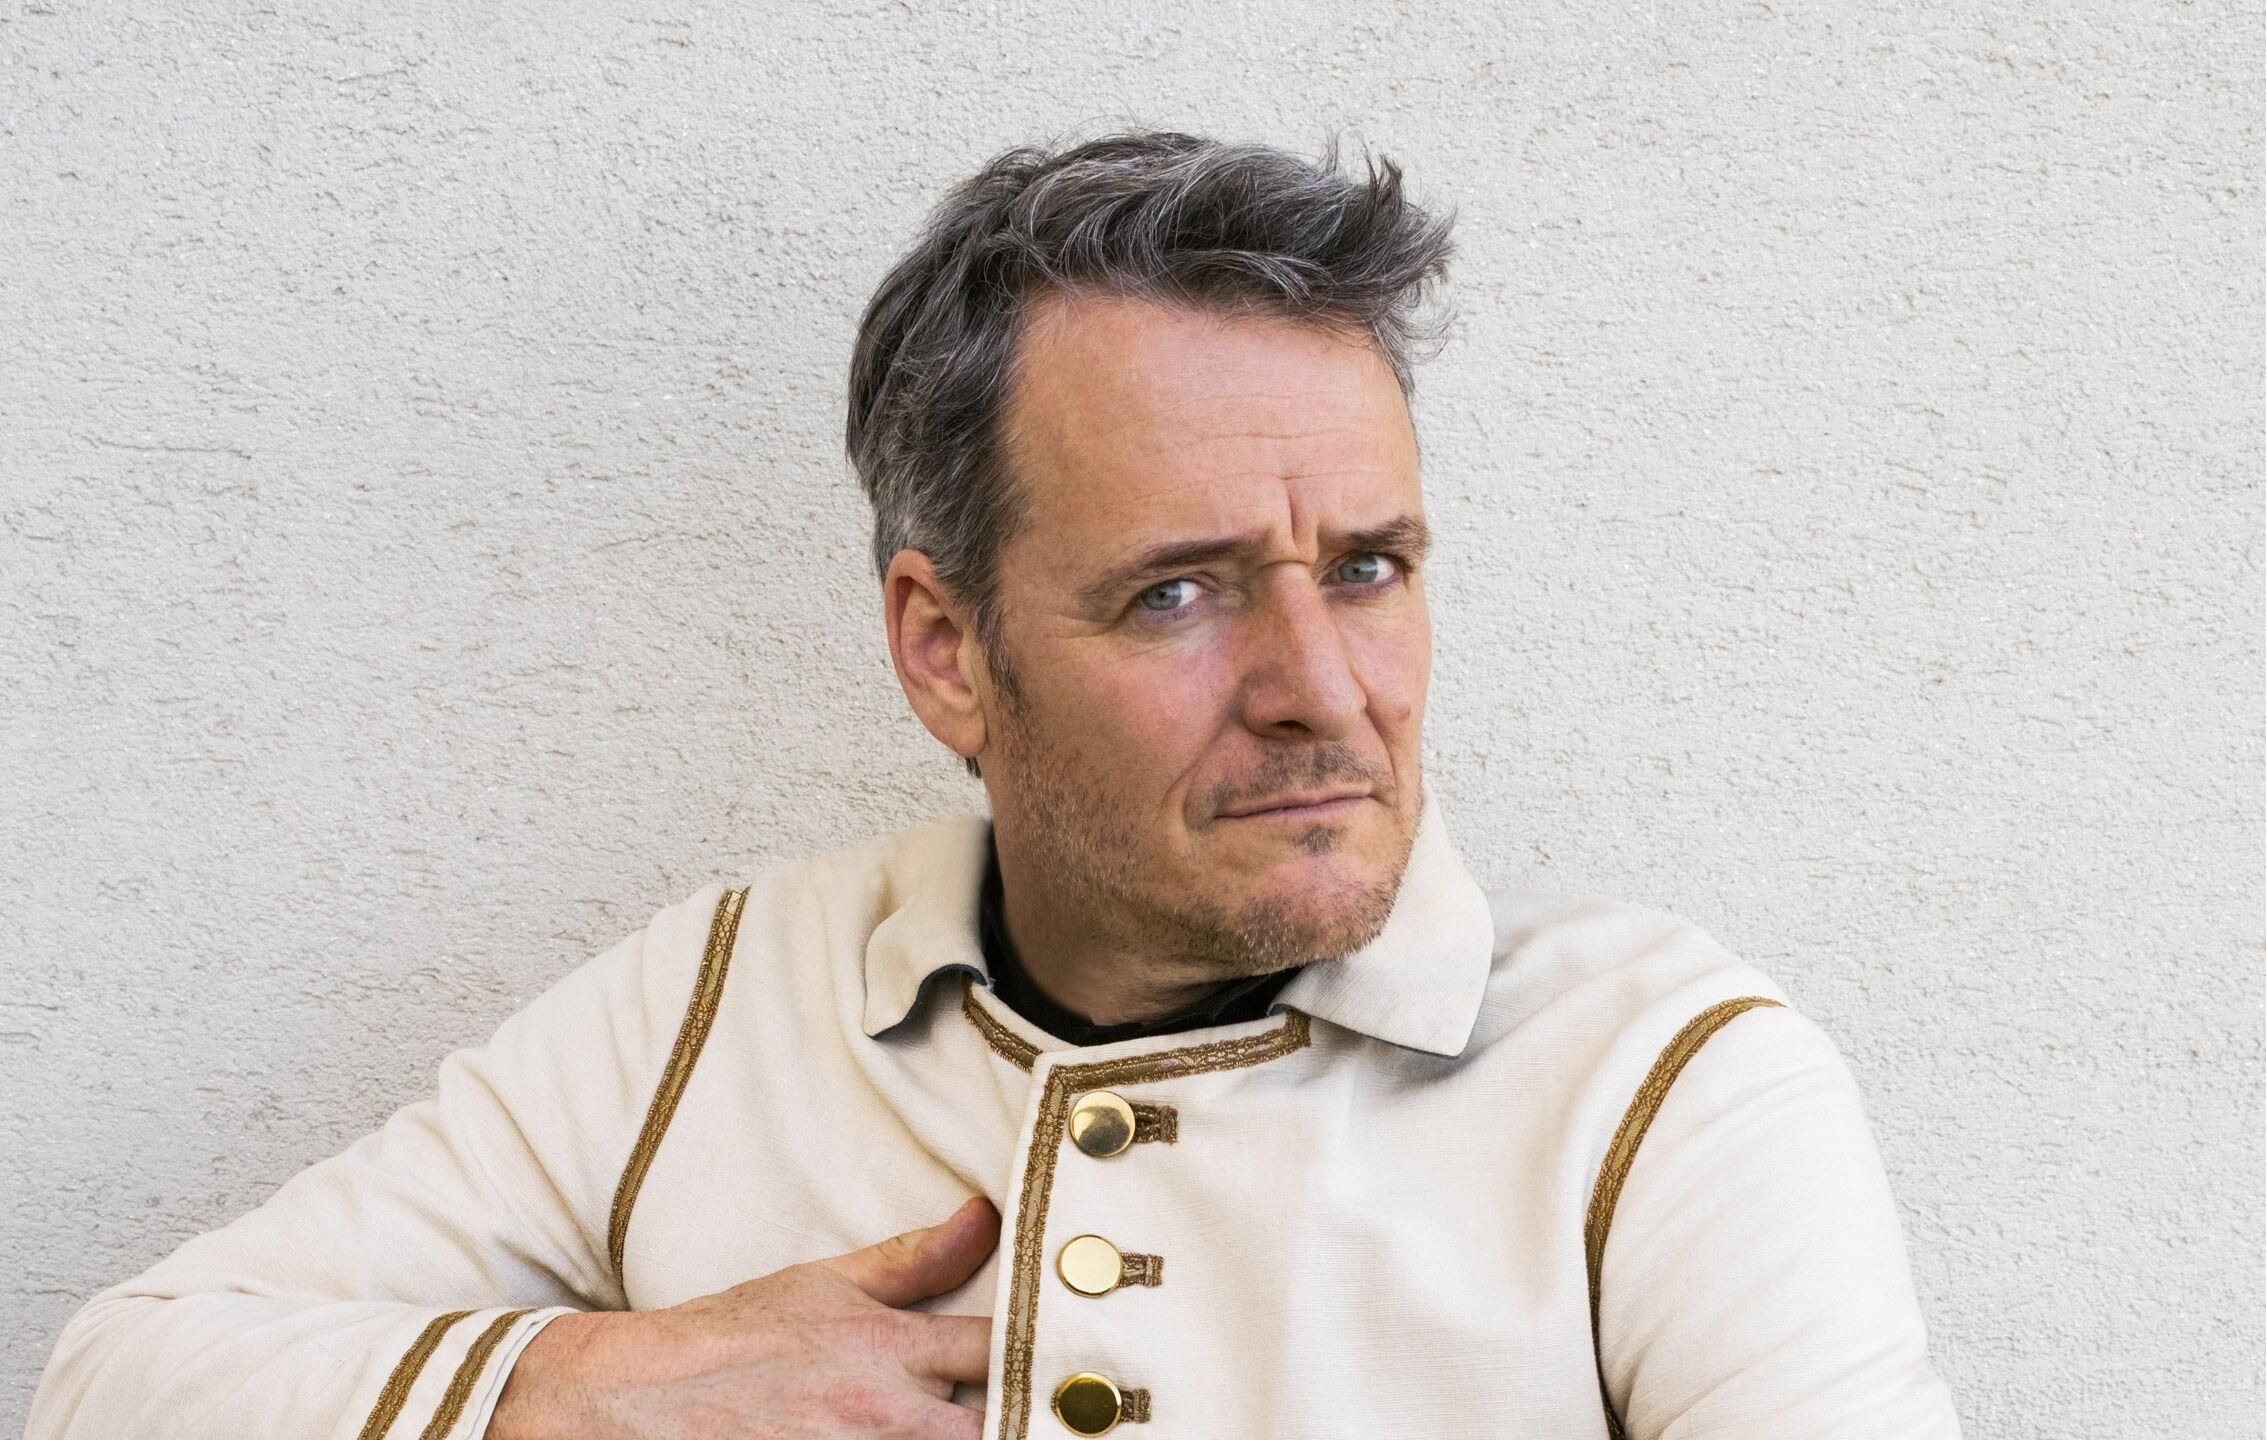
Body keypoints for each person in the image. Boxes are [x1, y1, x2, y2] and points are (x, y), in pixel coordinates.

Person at [27, 131, 1962, 1440]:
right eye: (1180, 591)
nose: (1322, 691)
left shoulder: (1664, 1080)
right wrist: (585, 1389)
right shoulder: (725, 996)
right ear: (946, 649)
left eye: (1368, 566)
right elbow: (122, 1379)